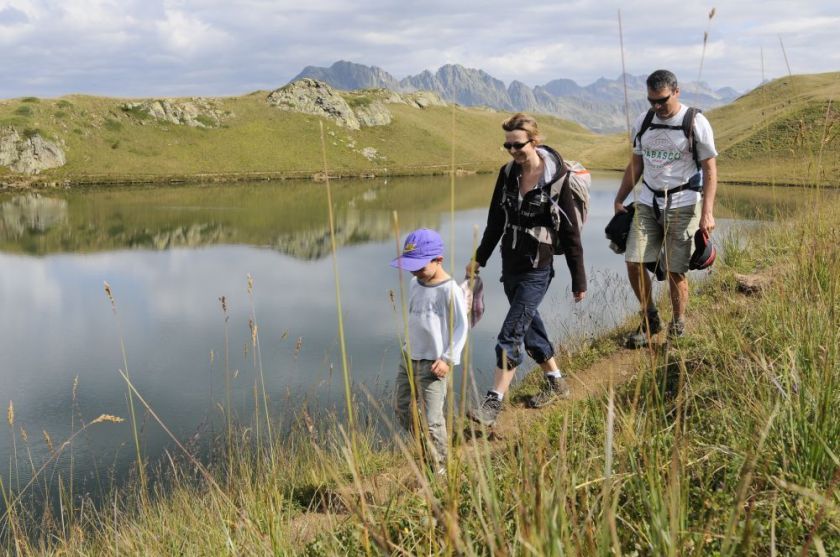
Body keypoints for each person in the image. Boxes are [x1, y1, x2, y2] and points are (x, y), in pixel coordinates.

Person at [465, 113, 586, 427]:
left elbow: (571, 233)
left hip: (538, 268)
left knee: (510, 335)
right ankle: (557, 382)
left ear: (535, 141)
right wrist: (480, 259)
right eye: (507, 146)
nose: (512, 151)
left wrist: (579, 279)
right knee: (530, 329)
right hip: (512, 265)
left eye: (517, 145)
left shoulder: (556, 179)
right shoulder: (507, 174)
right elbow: (495, 222)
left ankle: (493, 403)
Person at [613, 69, 718, 348]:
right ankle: (650, 319)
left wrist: (707, 212)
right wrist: (620, 197)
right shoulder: (644, 121)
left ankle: (678, 323)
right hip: (648, 202)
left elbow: (710, 170)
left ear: (676, 91)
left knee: (675, 269)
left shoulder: (695, 122)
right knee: (633, 262)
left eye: (662, 101)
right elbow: (636, 163)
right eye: (651, 101)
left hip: (683, 203)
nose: (657, 107)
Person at [390, 228, 469, 470]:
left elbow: (461, 328)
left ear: (438, 260)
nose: (414, 271)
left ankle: (442, 467)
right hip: (409, 357)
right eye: (411, 266)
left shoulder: (449, 290)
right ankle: (426, 447)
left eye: (420, 266)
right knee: (401, 407)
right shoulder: (416, 283)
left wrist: (448, 358)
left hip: (434, 365)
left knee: (433, 419)